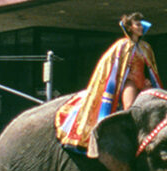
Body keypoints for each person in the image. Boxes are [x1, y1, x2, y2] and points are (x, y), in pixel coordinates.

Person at [57, 14, 160, 157]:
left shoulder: (145, 47)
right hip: (129, 82)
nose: (141, 27)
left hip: (142, 83)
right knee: (130, 108)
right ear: (130, 27)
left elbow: (150, 68)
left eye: (141, 24)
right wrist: (125, 77)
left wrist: (148, 81)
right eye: (137, 24)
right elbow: (110, 66)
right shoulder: (122, 45)